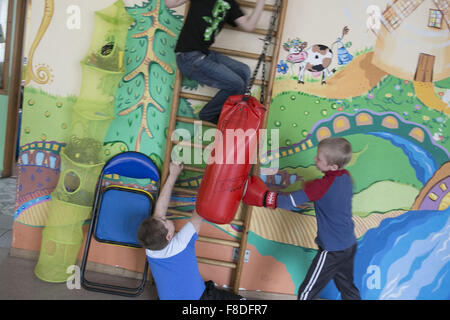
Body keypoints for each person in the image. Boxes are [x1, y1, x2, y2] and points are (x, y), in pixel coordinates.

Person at [242, 137, 361, 300]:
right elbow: (331, 192)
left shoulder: (320, 187)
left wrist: (263, 197)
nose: (314, 160)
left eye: (319, 159)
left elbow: (286, 203)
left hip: (332, 250)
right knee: (348, 288)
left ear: (333, 166)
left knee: (307, 292)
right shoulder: (346, 177)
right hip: (348, 245)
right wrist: (311, 187)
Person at [137, 161, 245, 300]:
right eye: (164, 220)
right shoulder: (181, 245)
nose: (164, 217)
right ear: (169, 236)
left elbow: (159, 211)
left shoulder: (150, 247)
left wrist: (173, 175)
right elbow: (200, 212)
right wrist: (215, 179)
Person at [165, 0, 266, 124]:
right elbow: (169, 3)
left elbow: (249, 25)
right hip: (188, 57)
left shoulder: (230, 3)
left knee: (243, 71)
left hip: (204, 53)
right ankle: (209, 114)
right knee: (236, 84)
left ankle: (230, 114)